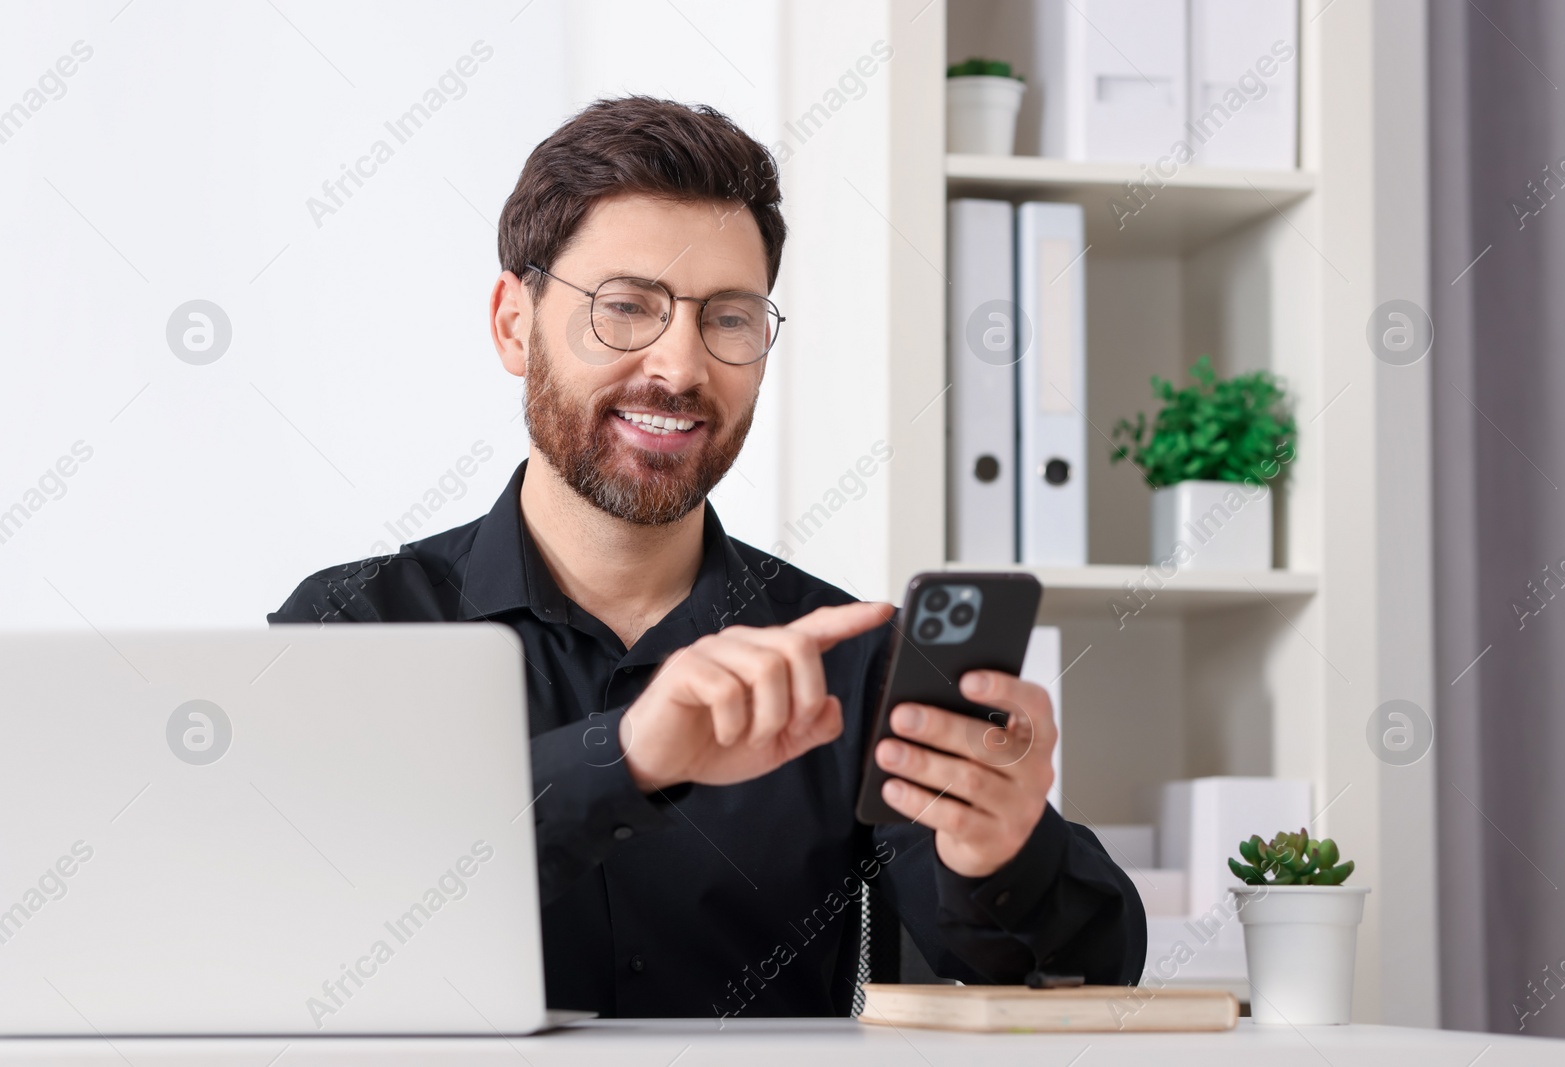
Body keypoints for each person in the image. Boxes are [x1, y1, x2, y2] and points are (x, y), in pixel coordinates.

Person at [268, 95, 1145, 1018]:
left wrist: (1003, 850)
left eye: (728, 317)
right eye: (626, 308)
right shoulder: (357, 628)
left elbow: (1086, 975)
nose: (680, 367)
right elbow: (300, 911)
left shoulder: (849, 660)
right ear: (513, 324)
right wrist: (625, 760)